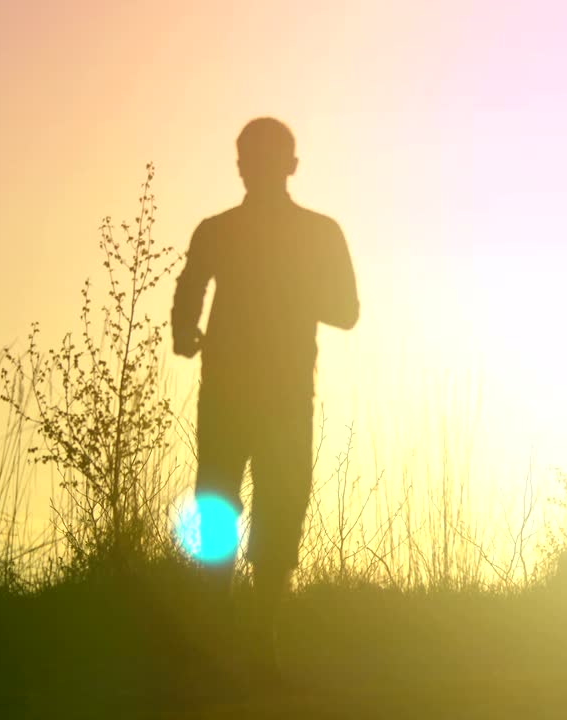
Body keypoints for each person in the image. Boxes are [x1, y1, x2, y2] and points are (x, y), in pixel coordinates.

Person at [171, 117, 359, 681]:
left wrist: (186, 331)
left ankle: (245, 631)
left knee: (241, 503)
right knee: (245, 503)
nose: (251, 169)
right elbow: (189, 286)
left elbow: (347, 312)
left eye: (255, 159)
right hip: (264, 393)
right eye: (248, 160)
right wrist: (184, 330)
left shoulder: (227, 230)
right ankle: (242, 631)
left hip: (253, 393)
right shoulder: (306, 232)